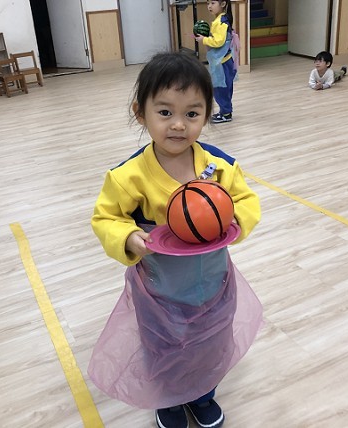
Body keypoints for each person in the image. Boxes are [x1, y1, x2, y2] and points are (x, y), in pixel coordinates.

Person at [89, 51, 263, 428]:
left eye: (192, 113)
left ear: (207, 114)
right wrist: (128, 236)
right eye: (165, 112)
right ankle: (168, 400)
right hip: (160, 290)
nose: (179, 125)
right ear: (141, 113)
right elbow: (105, 217)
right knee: (162, 345)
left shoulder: (219, 166)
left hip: (214, 283)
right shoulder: (128, 176)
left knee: (210, 342)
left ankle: (202, 394)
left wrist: (234, 217)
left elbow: (246, 200)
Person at [195, 0, 239, 123]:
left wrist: (204, 39)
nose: (209, 6)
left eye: (213, 3)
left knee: (220, 89)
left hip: (222, 63)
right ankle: (226, 111)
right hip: (224, 61)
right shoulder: (221, 19)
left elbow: (218, 42)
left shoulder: (221, 22)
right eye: (208, 3)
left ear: (223, 4)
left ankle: (226, 114)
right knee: (224, 88)